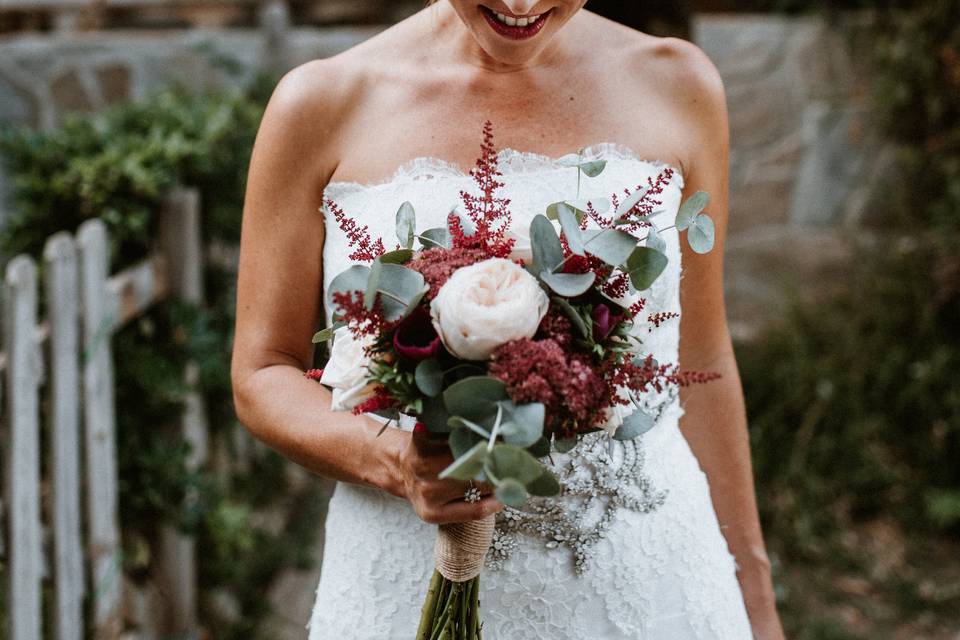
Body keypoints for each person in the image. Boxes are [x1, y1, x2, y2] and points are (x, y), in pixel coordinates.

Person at [230, 1, 785, 638]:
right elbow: (262, 372)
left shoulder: (679, 83)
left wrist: (757, 600)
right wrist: (392, 461)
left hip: (652, 589)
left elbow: (701, 358)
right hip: (404, 581)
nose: (520, 5)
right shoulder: (322, 102)